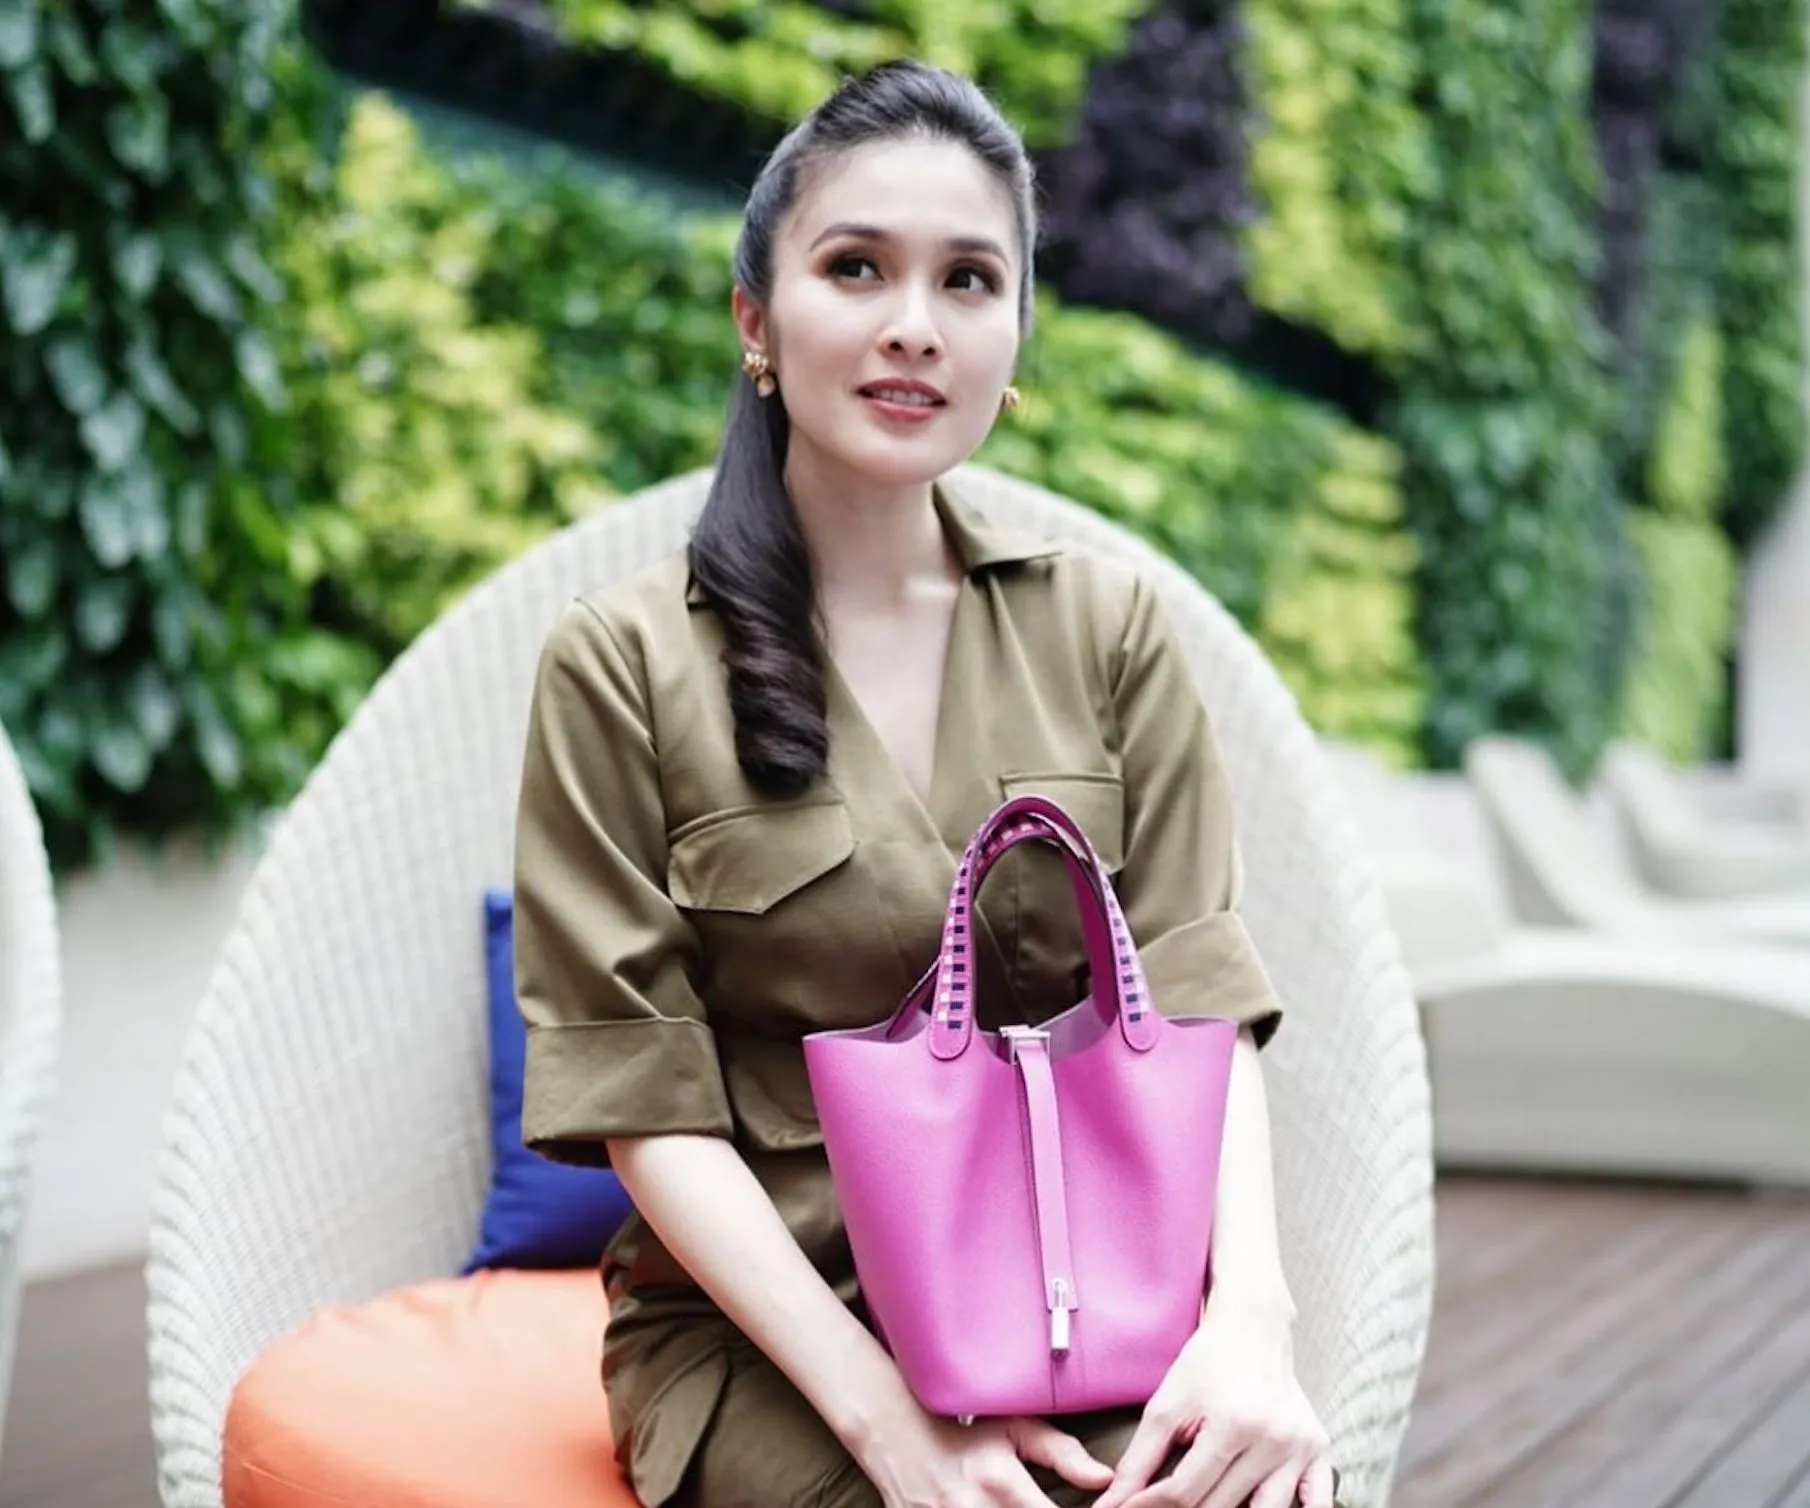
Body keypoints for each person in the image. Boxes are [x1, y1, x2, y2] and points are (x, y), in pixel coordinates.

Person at [513, 57, 1339, 1508]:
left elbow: (1196, 1000)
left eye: (969, 280)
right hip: (775, 1339)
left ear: (1013, 343)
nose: (914, 324)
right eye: (856, 268)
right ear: (756, 322)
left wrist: (1250, 1327)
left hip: (1081, 1294)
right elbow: (644, 1098)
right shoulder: (623, 663)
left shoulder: (1109, 629)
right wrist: (888, 1422)